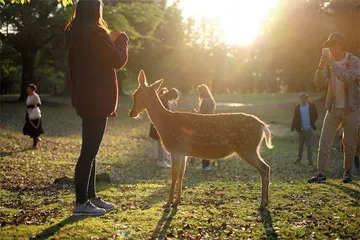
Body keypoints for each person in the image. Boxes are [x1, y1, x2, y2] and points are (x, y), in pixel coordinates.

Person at [65, 0, 129, 216]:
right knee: (88, 152)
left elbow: (91, 62)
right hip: (97, 99)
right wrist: (122, 41)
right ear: (96, 10)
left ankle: (90, 197)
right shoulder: (94, 33)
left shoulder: (78, 34)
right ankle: (81, 203)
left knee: (91, 151)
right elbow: (117, 60)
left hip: (86, 98)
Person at [308, 33, 360, 184]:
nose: (332, 47)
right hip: (333, 109)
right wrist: (321, 66)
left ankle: (348, 173)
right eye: (330, 45)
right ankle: (321, 174)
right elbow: (319, 83)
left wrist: (332, 64)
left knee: (349, 144)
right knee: (324, 141)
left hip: (352, 109)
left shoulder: (353, 61)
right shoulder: (329, 63)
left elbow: (348, 78)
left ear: (342, 45)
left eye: (335, 44)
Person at [149, 88, 179, 168]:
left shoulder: (163, 98)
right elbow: (163, 113)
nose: (171, 100)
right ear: (170, 95)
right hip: (159, 124)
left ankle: (161, 159)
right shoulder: (162, 100)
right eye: (172, 98)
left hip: (158, 123)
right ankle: (161, 160)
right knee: (161, 142)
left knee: (160, 142)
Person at [291, 93, 318, 166]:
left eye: (306, 98)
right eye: (304, 98)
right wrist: (293, 127)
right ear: (300, 99)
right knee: (301, 145)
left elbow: (315, 115)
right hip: (300, 129)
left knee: (309, 145)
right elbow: (295, 117)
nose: (305, 99)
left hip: (308, 128)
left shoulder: (311, 106)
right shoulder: (297, 107)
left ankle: (310, 161)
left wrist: (312, 122)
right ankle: (299, 159)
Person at [195, 84, 216, 171]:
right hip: (211, 125)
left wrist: (195, 113)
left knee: (203, 145)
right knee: (208, 145)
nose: (198, 94)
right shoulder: (211, 101)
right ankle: (207, 163)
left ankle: (205, 165)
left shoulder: (204, 101)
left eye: (199, 92)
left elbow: (202, 115)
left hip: (204, 126)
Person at [23, 83, 44, 149]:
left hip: (35, 115)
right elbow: (28, 105)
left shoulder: (35, 96)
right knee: (29, 129)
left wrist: (32, 106)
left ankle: (35, 145)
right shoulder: (29, 96)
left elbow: (38, 104)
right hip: (30, 114)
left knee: (34, 129)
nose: (27, 89)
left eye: (29, 88)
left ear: (32, 89)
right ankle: (37, 139)